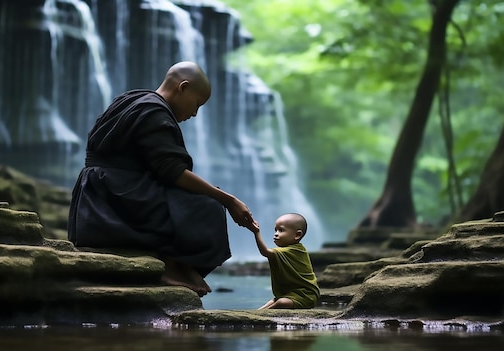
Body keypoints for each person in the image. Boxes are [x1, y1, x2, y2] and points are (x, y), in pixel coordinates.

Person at [67, 61, 256, 297]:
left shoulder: (132, 98)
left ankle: (172, 264)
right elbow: (172, 171)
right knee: (207, 206)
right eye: (197, 104)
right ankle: (167, 266)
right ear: (183, 87)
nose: (195, 113)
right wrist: (228, 199)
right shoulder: (154, 111)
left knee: (195, 200)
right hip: (114, 197)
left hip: (95, 197)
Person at [249, 213, 320, 309]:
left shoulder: (293, 251)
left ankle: (261, 315)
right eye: (275, 230)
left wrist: (256, 232)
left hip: (306, 296)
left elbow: (265, 252)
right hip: (291, 294)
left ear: (297, 235)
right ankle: (257, 313)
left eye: (281, 230)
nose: (276, 234)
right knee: (274, 301)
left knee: (281, 302)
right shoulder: (290, 250)